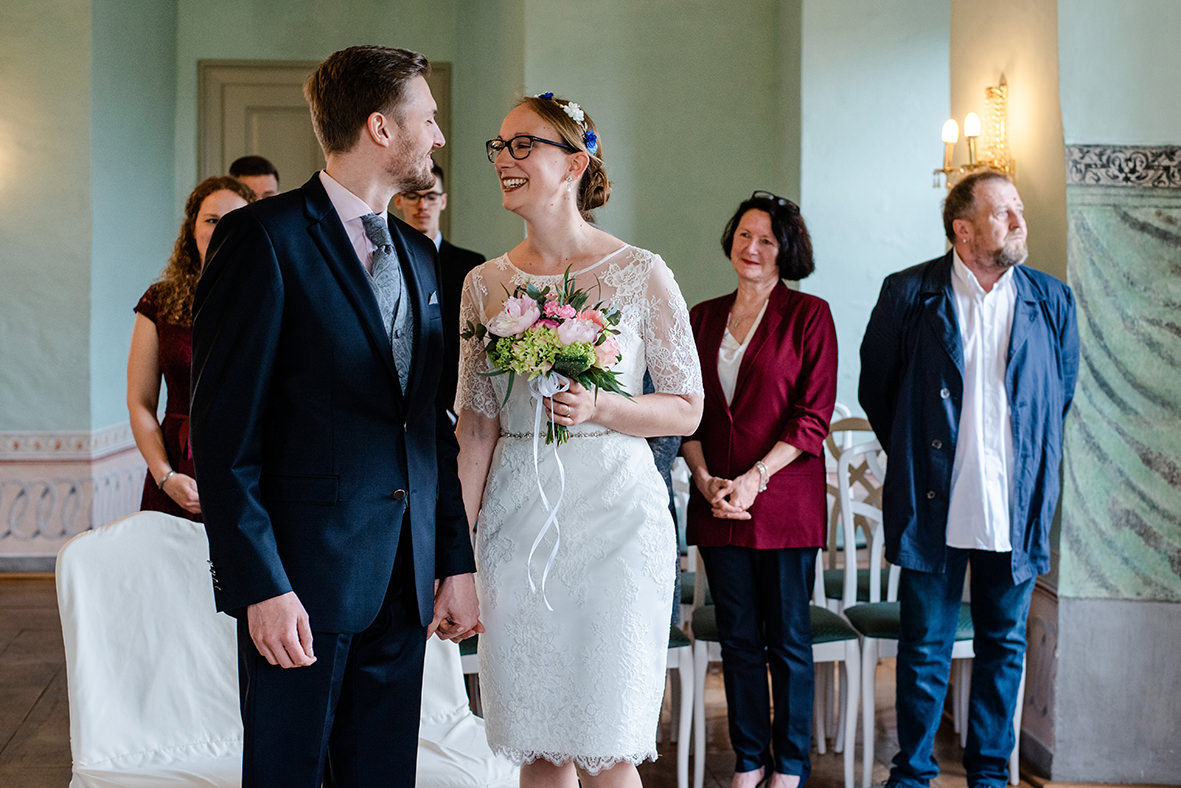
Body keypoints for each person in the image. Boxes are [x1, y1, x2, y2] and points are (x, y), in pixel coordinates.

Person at [190, 46, 480, 788]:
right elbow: (224, 436)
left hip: (404, 578)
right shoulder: (263, 239)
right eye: (429, 119)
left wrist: (452, 560)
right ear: (381, 127)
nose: (439, 136)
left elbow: (426, 427)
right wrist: (261, 584)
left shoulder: (418, 255)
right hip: (301, 584)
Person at [455, 93, 703, 788]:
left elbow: (687, 408)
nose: (504, 159)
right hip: (515, 516)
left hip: (616, 523)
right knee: (538, 743)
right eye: (497, 146)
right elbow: (476, 430)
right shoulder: (484, 285)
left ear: (573, 162)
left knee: (605, 743)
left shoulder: (639, 271)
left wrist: (600, 405)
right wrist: (455, 554)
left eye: (522, 144)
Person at [858, 171, 1078, 788]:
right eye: (1003, 212)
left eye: (1018, 210)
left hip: (1016, 504)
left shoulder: (1051, 300)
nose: (1018, 221)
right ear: (963, 227)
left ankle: (988, 775)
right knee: (924, 647)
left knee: (1004, 646)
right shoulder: (908, 294)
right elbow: (878, 390)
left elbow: (1056, 397)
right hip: (935, 502)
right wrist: (915, 453)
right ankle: (913, 773)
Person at [681, 191, 837, 788]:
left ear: (785, 251)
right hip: (717, 501)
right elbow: (687, 410)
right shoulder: (701, 316)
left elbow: (811, 418)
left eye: (766, 240)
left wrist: (753, 480)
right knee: (739, 640)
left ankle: (790, 768)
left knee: (788, 643)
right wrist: (704, 479)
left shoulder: (810, 316)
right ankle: (749, 763)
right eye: (744, 235)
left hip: (783, 505)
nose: (752, 248)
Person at [126, 176, 254, 522]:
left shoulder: (270, 300)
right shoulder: (161, 300)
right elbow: (140, 401)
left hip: (250, 471)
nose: (221, 231)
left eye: (234, 222)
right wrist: (165, 476)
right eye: (212, 220)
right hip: (175, 471)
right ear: (191, 228)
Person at [393, 162, 484, 418]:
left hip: (454, 404)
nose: (422, 206)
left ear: (442, 201)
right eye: (413, 196)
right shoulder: (386, 262)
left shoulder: (471, 265)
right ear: (399, 200)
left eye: (431, 197)